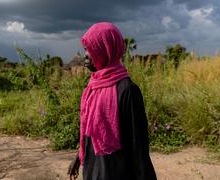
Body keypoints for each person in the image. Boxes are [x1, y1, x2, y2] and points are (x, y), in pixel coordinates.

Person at [67, 22, 157, 180]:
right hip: (92, 171)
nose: (86, 55)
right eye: (85, 50)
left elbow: (138, 146)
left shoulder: (127, 90)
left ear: (107, 49)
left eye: (92, 49)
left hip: (117, 173)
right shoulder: (91, 88)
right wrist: (79, 156)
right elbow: (90, 131)